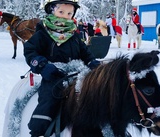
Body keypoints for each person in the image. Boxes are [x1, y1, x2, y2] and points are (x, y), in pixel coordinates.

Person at [23, 0, 100, 136]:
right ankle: (38, 129)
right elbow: (30, 51)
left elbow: (85, 53)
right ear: (52, 11)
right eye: (61, 12)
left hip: (77, 74)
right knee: (49, 97)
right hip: (54, 74)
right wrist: (42, 65)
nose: (65, 16)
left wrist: (92, 62)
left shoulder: (74, 35)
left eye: (69, 13)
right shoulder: (43, 33)